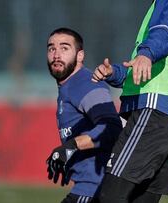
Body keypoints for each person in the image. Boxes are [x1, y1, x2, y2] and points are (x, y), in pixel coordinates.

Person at [92, 0, 168, 202]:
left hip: (156, 110)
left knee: (110, 195)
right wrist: (115, 73)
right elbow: (155, 69)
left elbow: (164, 30)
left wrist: (146, 53)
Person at [45, 27, 122, 203]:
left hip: (96, 190)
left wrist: (70, 147)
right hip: (88, 187)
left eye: (64, 48)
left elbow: (111, 127)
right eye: (51, 49)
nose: (56, 55)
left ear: (80, 56)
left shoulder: (85, 83)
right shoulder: (68, 87)